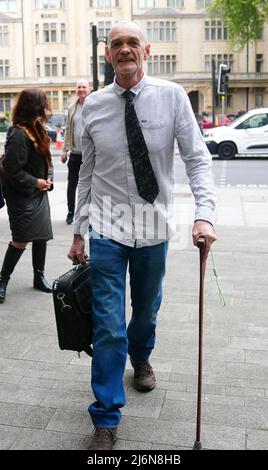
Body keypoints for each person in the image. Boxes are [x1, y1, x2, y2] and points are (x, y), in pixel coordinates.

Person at [68, 21, 218, 450]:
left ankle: (142, 354)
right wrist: (79, 231)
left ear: (146, 50)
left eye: (132, 42)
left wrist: (204, 215)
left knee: (146, 311)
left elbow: (197, 159)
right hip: (107, 229)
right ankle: (106, 416)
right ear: (108, 54)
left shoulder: (171, 98)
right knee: (108, 325)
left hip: (154, 228)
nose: (125, 49)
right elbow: (86, 175)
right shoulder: (94, 106)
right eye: (117, 44)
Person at [0, 88, 53, 304]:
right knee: (20, 240)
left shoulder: (36, 128)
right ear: (34, 107)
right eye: (43, 104)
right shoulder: (19, 134)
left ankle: (38, 276)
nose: (47, 108)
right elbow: (13, 172)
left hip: (37, 192)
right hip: (21, 195)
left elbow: (42, 161)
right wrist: (36, 182)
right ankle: (2, 280)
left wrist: (46, 179)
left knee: (41, 236)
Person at [61, 79, 91, 225]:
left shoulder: (95, 105)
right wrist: (64, 150)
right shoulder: (72, 107)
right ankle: (71, 212)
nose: (81, 89)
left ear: (89, 89)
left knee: (91, 185)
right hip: (75, 154)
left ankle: (88, 212)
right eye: (78, 87)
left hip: (91, 154)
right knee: (72, 185)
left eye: (83, 87)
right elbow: (68, 129)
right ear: (75, 90)